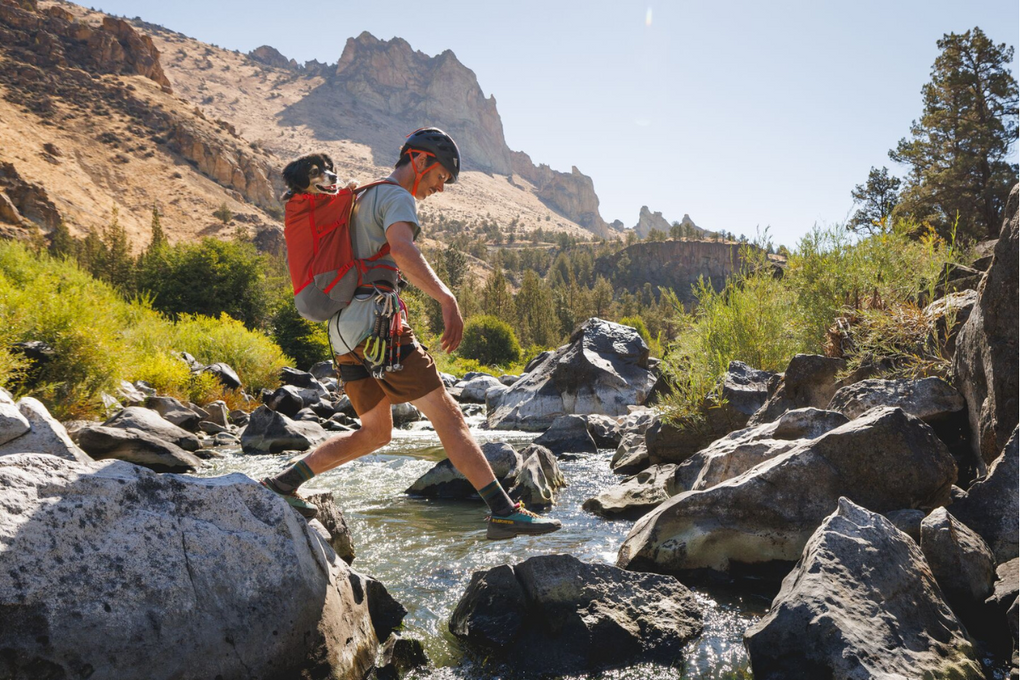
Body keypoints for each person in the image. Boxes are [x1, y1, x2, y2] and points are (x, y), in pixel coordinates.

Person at [262, 127, 561, 540]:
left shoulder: (359, 197)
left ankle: (282, 483)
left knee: (376, 432)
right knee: (448, 415)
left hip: (343, 333)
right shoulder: (396, 196)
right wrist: (446, 297)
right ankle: (503, 511)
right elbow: (401, 249)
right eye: (440, 177)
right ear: (419, 161)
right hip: (378, 325)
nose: (440, 188)